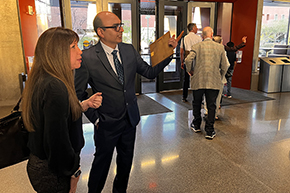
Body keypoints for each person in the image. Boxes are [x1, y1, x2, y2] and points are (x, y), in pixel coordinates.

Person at [74, 11, 179, 193]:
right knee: (101, 165)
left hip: (130, 120)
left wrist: (169, 52)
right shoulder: (88, 58)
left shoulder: (128, 50)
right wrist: (96, 119)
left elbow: (149, 72)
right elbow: (78, 94)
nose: (121, 29)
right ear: (101, 31)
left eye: (121, 25)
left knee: (125, 164)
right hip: (106, 123)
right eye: (115, 27)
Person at [22, 27, 102, 193]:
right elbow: (57, 141)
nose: (80, 52)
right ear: (57, 52)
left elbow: (56, 117)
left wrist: (84, 104)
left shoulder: (45, 79)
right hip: (53, 171)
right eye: (73, 47)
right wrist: (73, 171)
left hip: (41, 164)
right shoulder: (55, 87)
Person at [185, 27, 228, 139]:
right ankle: (210, 130)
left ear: (202, 35)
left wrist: (190, 70)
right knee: (211, 105)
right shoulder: (220, 47)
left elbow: (188, 60)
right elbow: (225, 65)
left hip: (198, 80)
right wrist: (221, 75)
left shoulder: (196, 46)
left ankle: (197, 125)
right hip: (213, 81)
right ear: (212, 34)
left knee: (197, 103)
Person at [180, 23, 202, 102]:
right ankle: (197, 97)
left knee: (186, 79)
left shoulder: (184, 38)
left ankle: (184, 96)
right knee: (197, 79)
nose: (197, 29)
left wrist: (182, 61)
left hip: (187, 59)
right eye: (196, 27)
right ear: (192, 29)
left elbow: (181, 51)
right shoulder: (198, 38)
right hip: (196, 59)